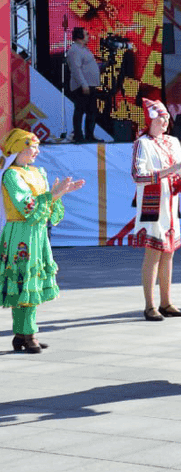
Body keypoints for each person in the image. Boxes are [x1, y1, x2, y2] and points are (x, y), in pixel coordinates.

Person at [1, 130, 85, 353]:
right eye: (32, 146)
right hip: (21, 233)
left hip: (37, 233)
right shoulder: (11, 175)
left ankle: (21, 335)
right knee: (25, 282)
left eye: (37, 146)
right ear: (19, 147)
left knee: (29, 282)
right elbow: (26, 207)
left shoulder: (38, 172)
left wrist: (59, 194)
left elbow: (44, 207)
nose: (37, 151)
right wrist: (54, 195)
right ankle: (29, 335)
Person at [132, 98, 181, 321]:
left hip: (171, 201)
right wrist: (170, 171)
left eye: (167, 118)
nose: (164, 122)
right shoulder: (142, 143)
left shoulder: (172, 141)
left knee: (169, 252)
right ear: (149, 119)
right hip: (152, 202)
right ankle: (150, 305)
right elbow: (138, 175)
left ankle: (166, 302)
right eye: (160, 118)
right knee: (154, 253)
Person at [66, 27, 102, 143]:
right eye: (86, 34)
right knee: (80, 110)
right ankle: (78, 135)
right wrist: (83, 84)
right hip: (82, 86)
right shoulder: (74, 50)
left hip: (89, 85)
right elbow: (76, 69)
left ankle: (89, 135)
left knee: (91, 111)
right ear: (79, 37)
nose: (88, 36)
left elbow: (88, 66)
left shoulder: (84, 49)